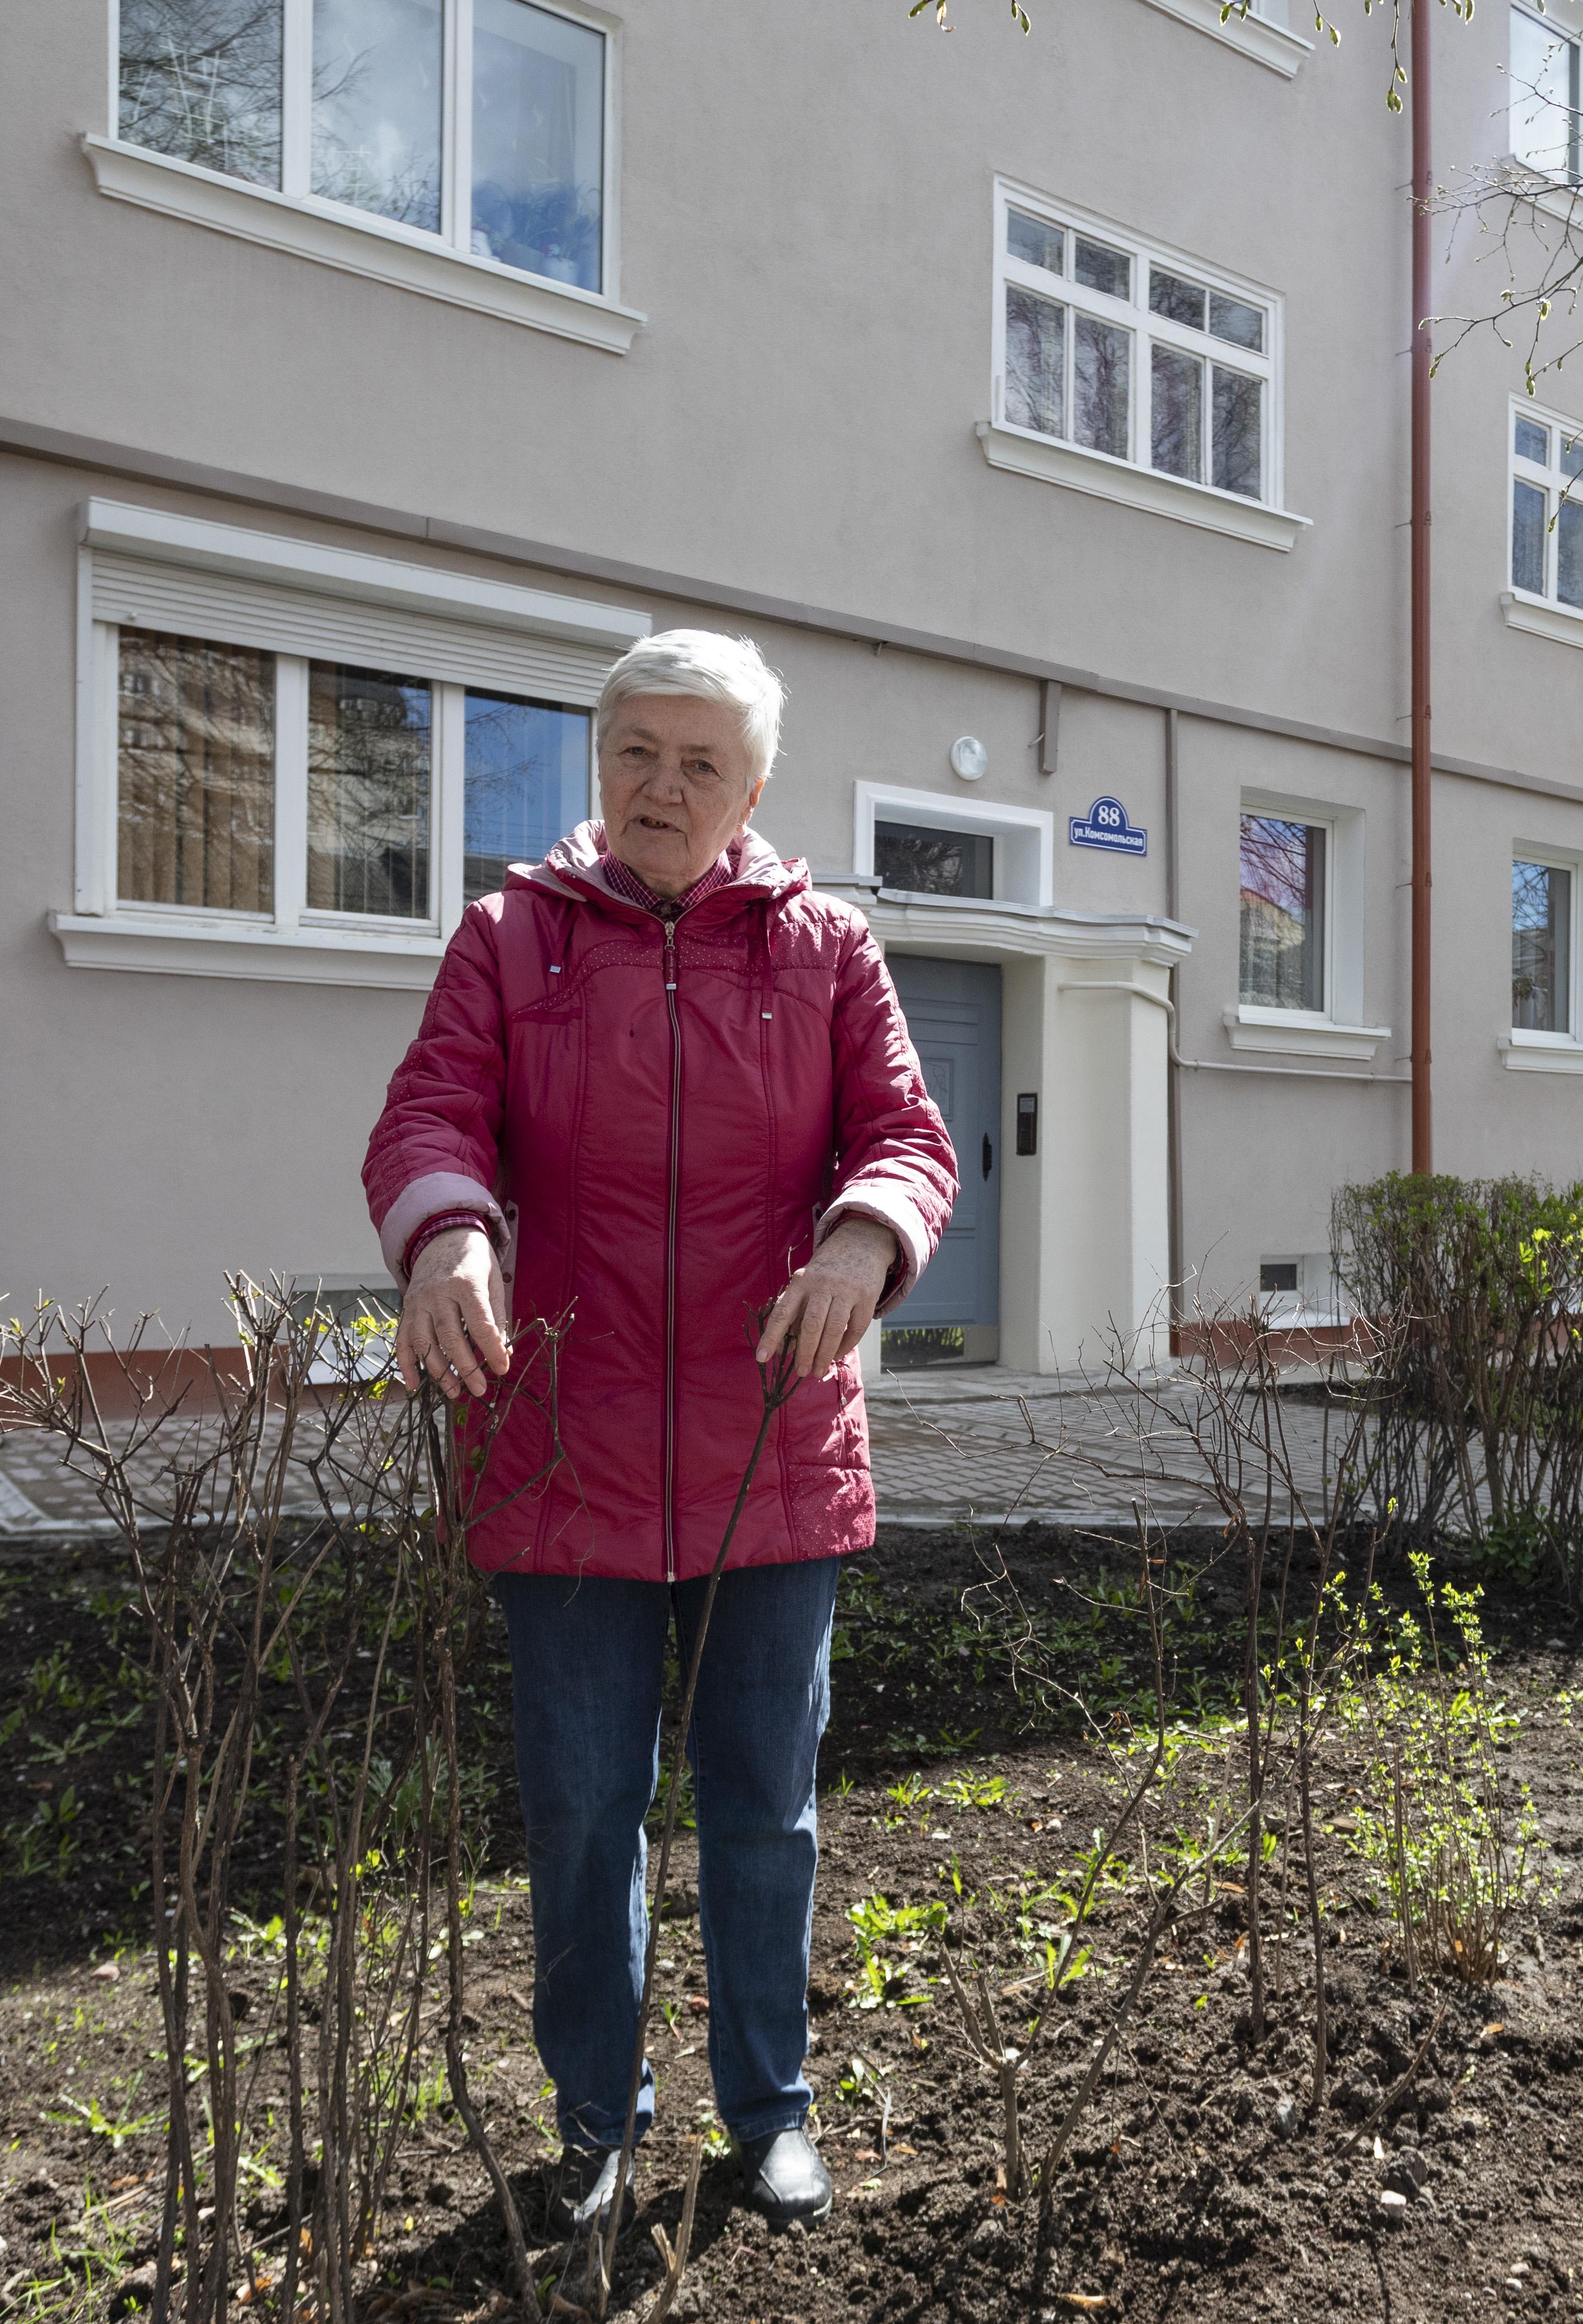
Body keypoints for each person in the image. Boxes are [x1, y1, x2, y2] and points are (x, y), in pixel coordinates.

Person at [363, 630, 954, 2281]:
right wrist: (449, 1243)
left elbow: (908, 1135)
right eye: (637, 752)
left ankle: (769, 2110)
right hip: (566, 1446)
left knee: (765, 1811)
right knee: (581, 1813)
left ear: (753, 790)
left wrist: (860, 1243)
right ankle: (598, 2125)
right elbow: (430, 1120)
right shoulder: (509, 939)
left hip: (775, 1439)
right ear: (596, 763)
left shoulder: (831, 948)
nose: (664, 787)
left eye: (702, 762)